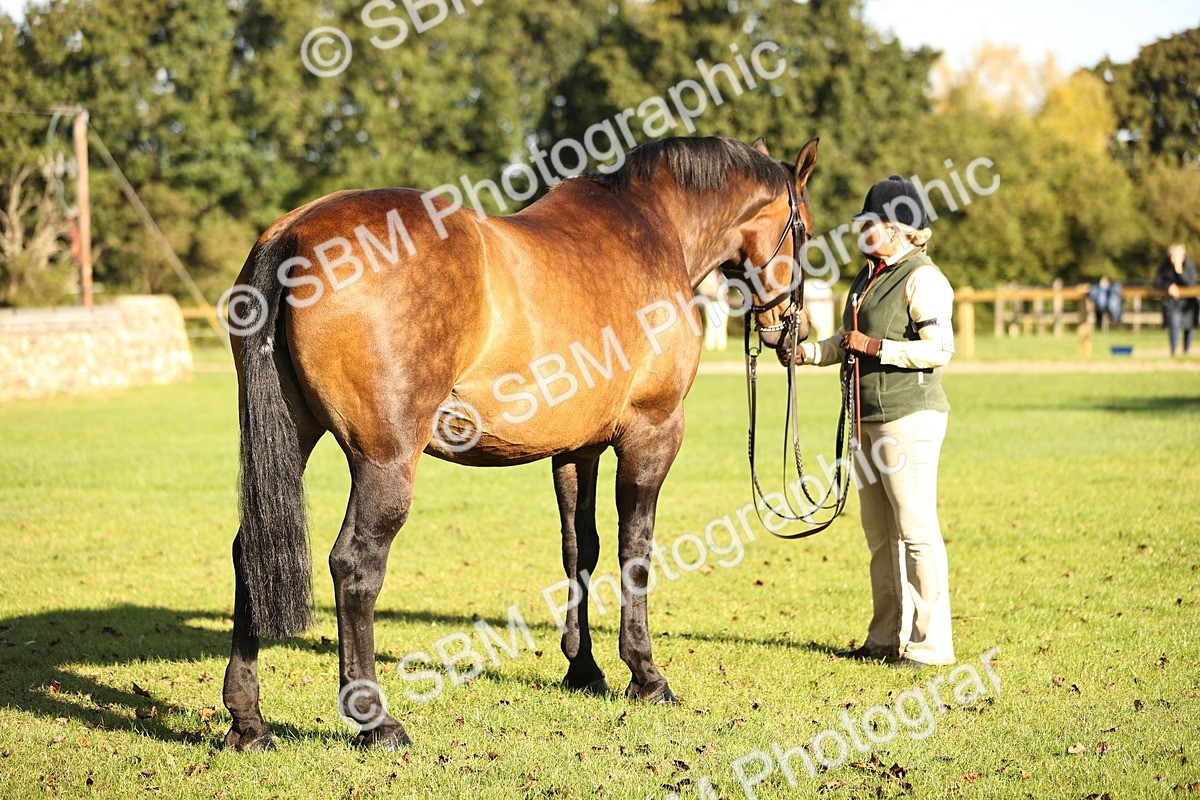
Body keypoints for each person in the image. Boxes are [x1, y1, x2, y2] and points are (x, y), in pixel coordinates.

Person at [794, 175, 956, 668]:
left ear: (901, 228)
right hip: (866, 423)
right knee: (880, 536)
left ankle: (930, 646)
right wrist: (804, 352)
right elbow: (847, 339)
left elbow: (939, 350)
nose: (861, 229)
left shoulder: (921, 278)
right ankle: (885, 637)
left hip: (909, 418)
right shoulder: (866, 279)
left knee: (915, 530)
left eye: (871, 223)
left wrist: (879, 347)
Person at [1153, 244, 1197, 356]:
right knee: (1174, 323)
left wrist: (1179, 271)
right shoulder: (1165, 266)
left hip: (1188, 302)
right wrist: (1168, 286)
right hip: (1172, 302)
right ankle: (1173, 351)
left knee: (1188, 325)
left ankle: (1186, 351)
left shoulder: (1189, 266)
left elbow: (1191, 283)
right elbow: (1157, 282)